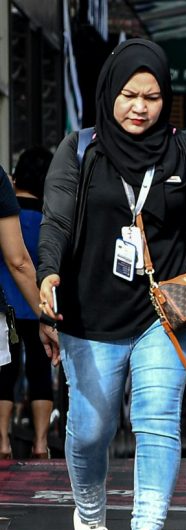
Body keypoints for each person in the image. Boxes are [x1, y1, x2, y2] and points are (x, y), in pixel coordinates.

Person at [37, 39, 186, 530]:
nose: (140, 106)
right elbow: (57, 221)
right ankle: (90, 518)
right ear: (110, 93)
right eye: (130, 94)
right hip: (89, 313)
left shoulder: (182, 155)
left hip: (164, 313)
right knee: (90, 428)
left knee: (156, 420)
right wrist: (49, 273)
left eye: (152, 96)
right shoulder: (80, 150)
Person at [0, 148, 53, 459]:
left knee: (4, 373)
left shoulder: (7, 212)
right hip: (37, 304)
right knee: (39, 370)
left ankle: (3, 442)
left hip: (3, 305)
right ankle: (41, 443)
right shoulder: (49, 219)